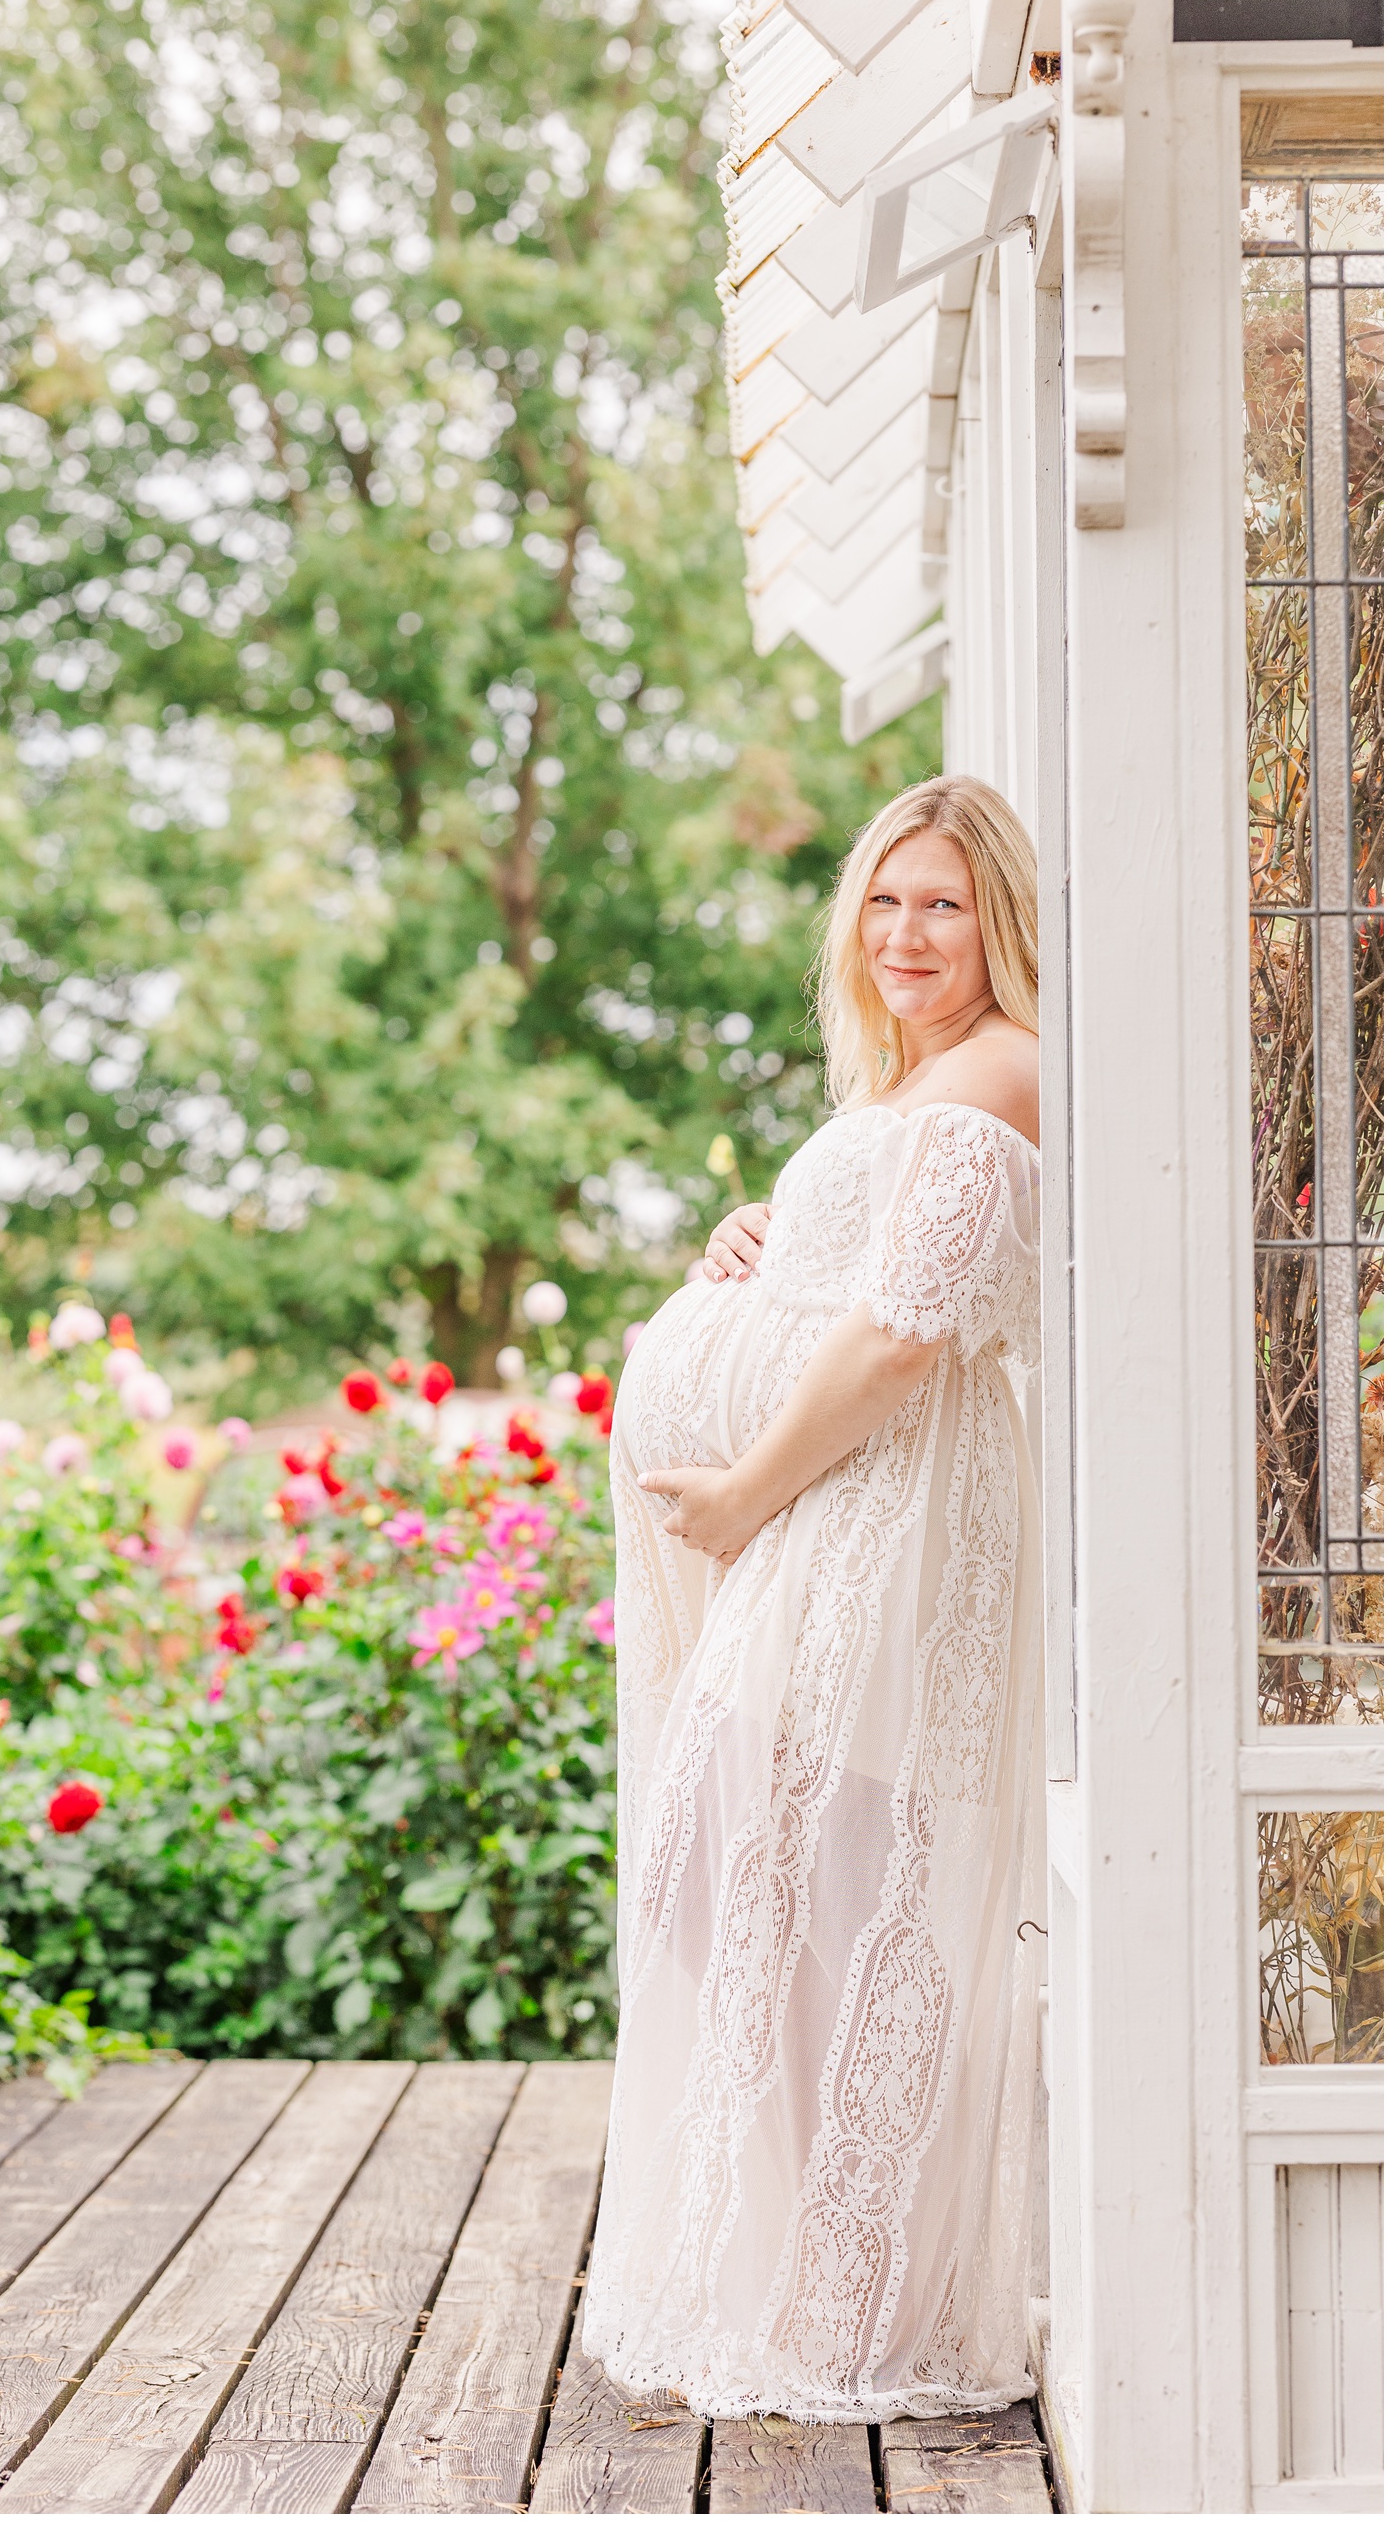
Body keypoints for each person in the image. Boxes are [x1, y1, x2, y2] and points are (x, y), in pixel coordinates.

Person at [580, 774, 1044, 2423]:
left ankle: (856, 2297)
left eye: (945, 903)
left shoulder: (1002, 1073)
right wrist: (753, 1255)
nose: (908, 933)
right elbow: (862, 1278)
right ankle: (816, 2267)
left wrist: (744, 1489)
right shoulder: (917, 1083)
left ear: (999, 919)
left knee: (837, 1881)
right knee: (761, 1868)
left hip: (883, 1511)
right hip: (832, 1503)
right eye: (884, 900)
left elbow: (912, 1333)